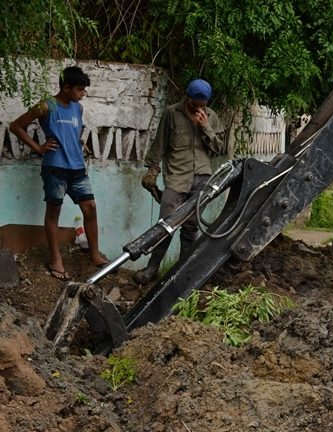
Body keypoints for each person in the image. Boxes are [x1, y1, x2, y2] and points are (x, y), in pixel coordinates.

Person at [9, 66, 109, 280]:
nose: (83, 94)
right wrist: (38, 148)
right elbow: (16, 126)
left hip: (77, 168)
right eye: (80, 90)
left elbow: (75, 132)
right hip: (55, 168)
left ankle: (94, 254)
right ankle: (56, 259)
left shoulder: (78, 108)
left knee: (90, 208)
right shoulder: (46, 105)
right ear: (66, 87)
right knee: (53, 212)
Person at [133, 79, 226, 284]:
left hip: (202, 176)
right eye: (195, 103)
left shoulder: (212, 117)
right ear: (188, 97)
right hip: (176, 177)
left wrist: (205, 127)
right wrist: (152, 169)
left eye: (203, 104)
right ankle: (152, 269)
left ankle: (181, 273)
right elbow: (160, 143)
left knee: (191, 227)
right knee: (165, 224)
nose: (199, 108)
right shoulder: (171, 113)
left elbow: (219, 148)